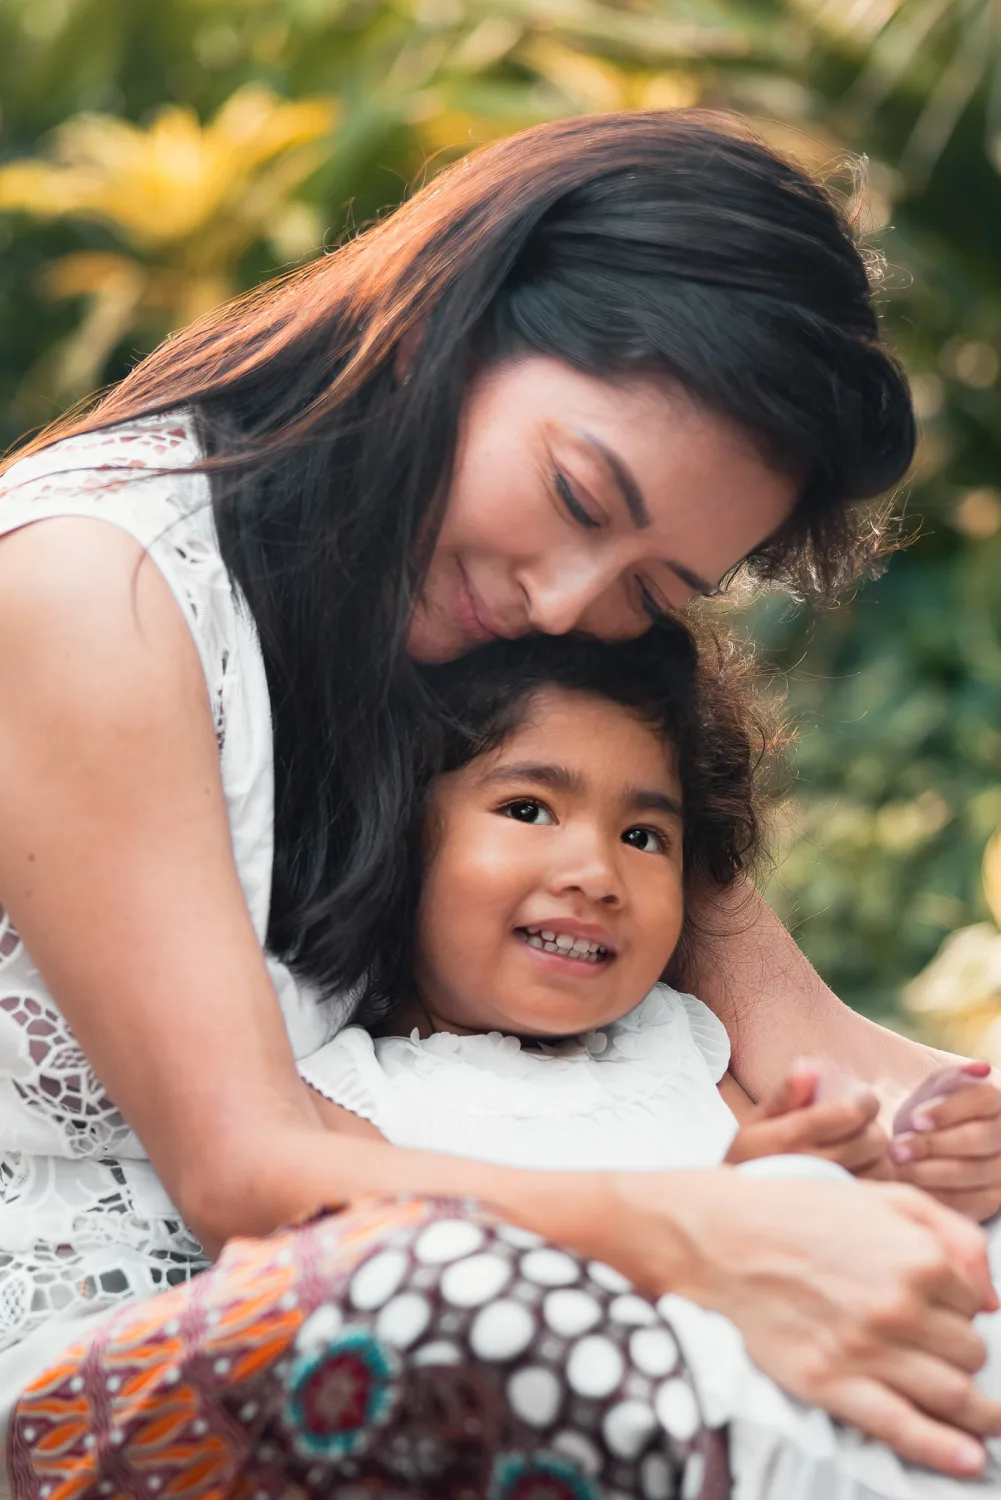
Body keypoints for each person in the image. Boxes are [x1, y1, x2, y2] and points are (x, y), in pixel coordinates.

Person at [0, 110, 997, 1494]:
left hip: (398, 1289)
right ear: (449, 319)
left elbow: (817, 1051)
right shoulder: (88, 584)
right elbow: (244, 1166)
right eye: (579, 493)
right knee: (486, 1308)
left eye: (658, 589)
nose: (572, 601)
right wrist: (714, 1232)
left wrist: (956, 1147)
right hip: (85, 1369)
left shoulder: (532, 656)